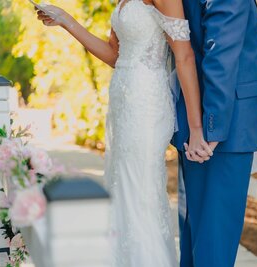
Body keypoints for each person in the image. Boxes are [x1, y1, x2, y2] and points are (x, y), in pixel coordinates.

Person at [36, 0, 213, 266]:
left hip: (146, 103)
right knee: (121, 190)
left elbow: (184, 55)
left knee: (139, 194)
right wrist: (65, 20)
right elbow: (114, 55)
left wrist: (196, 129)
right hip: (122, 101)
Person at [173, 0, 257, 266]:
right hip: (220, 131)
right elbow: (221, 55)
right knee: (214, 245)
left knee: (198, 238)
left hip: (202, 125)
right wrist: (211, 130)